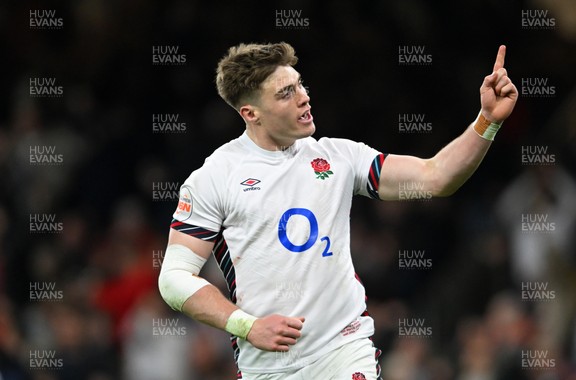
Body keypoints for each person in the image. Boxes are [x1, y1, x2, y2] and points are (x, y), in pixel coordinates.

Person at [158, 42, 518, 379]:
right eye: (286, 93)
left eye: (300, 85)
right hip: (268, 367)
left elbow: (435, 177)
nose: (303, 98)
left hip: (344, 349)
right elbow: (174, 279)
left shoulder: (337, 157)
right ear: (251, 113)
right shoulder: (215, 178)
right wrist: (246, 325)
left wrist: (487, 120)